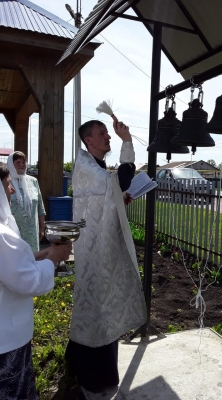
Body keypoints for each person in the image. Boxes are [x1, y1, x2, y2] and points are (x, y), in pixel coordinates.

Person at [65, 116, 147, 397]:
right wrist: (127, 142)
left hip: (102, 247)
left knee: (102, 306)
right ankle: (91, 373)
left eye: (108, 134)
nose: (108, 137)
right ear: (88, 140)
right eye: (103, 134)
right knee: (95, 304)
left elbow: (110, 193)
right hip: (93, 250)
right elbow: (120, 180)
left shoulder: (97, 166)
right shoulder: (86, 165)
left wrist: (119, 199)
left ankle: (87, 364)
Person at [0, 166, 72, 400]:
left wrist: (45, 253)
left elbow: (13, 266)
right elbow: (29, 281)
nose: (12, 190)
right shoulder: (2, 236)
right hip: (7, 339)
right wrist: (54, 259)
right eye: (7, 183)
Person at [7, 151, 46, 252]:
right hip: (12, 230)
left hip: (32, 231)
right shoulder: (5, 182)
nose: (21, 165)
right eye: (18, 162)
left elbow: (40, 207)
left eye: (23, 162)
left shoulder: (33, 181)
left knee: (32, 258)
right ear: (11, 164)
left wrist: (42, 228)